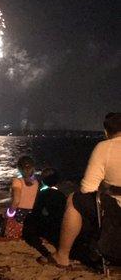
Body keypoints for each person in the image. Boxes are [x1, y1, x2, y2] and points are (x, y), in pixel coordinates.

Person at [51, 112, 121, 268]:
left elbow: (87, 188)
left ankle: (61, 256)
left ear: (106, 132)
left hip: (116, 210)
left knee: (74, 199)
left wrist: (106, 188)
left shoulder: (104, 147)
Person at [23, 168, 66, 260]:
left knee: (29, 220)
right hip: (61, 225)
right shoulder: (62, 195)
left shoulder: (43, 195)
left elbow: (36, 212)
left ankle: (40, 245)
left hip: (50, 225)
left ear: (43, 181)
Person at [3, 156, 39, 238]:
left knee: (6, 216)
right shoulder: (37, 182)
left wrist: (10, 213)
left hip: (20, 215)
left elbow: (16, 200)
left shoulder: (17, 181)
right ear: (33, 168)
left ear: (19, 168)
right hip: (33, 215)